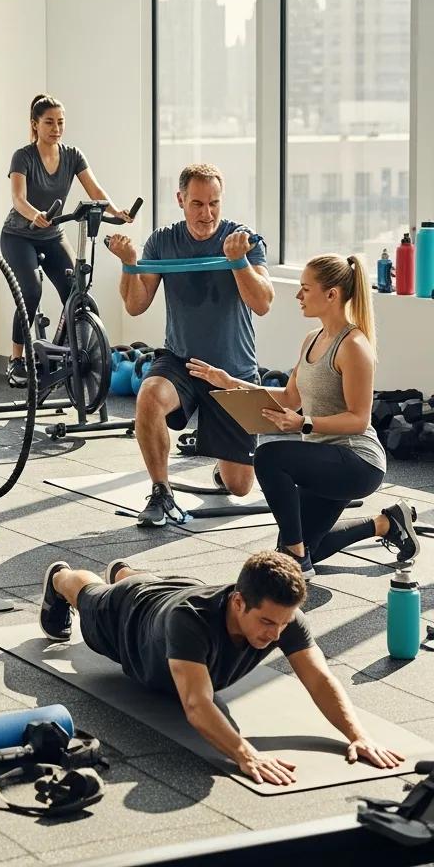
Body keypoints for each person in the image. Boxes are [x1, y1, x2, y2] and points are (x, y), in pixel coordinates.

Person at [39, 551, 404, 787]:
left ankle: (126, 571)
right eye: (266, 622)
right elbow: (196, 705)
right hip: (128, 618)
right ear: (239, 602)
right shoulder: (190, 622)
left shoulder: (282, 619)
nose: (275, 634)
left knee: (153, 583)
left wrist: (358, 734)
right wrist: (246, 754)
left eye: (282, 623)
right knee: (88, 593)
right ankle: (62, 577)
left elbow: (319, 677)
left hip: (178, 593)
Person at [188, 254, 419, 577]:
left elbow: (359, 419)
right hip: (323, 458)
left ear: (331, 294)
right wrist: (230, 383)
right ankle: (385, 522)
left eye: (305, 289)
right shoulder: (312, 339)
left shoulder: (354, 346)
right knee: (307, 547)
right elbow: (289, 398)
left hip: (356, 462)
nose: (298, 296)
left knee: (269, 456)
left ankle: (296, 555)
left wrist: (304, 424)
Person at [105, 163, 274, 526]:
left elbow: (262, 303)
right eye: (197, 204)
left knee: (240, 486)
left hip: (232, 372)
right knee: (148, 395)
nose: (207, 213)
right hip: (181, 360)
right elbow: (135, 305)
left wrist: (238, 262)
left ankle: (221, 465)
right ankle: (161, 492)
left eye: (214, 203)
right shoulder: (163, 241)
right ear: (180, 200)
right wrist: (129, 265)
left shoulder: (241, 239)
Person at [1, 94, 133, 387]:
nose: (56, 128)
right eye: (49, 122)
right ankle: (16, 360)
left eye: (60, 122)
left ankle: (62, 354)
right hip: (18, 235)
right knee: (31, 291)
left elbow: (95, 189)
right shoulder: (23, 156)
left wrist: (116, 211)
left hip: (52, 234)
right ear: (35, 125)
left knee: (76, 290)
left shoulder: (73, 155)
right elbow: (18, 198)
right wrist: (35, 215)